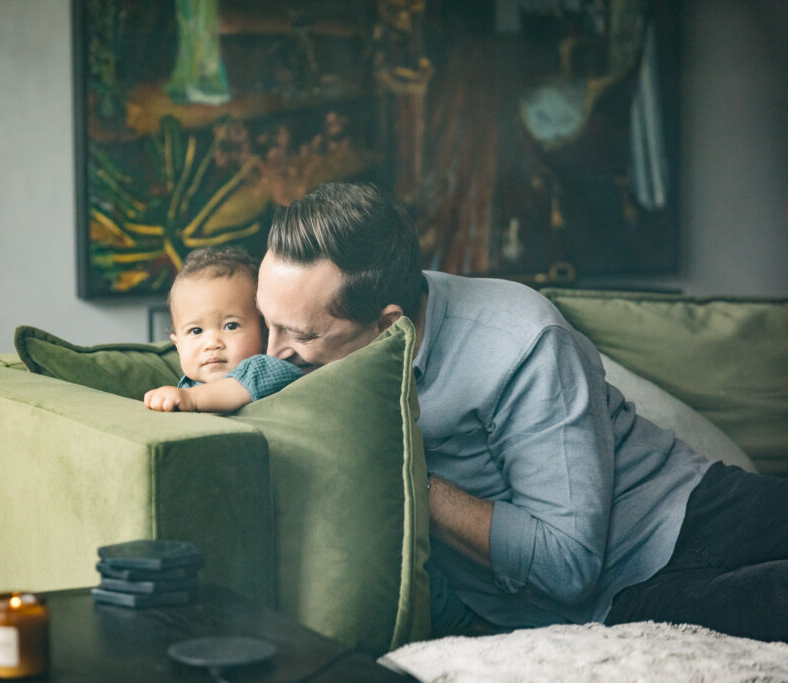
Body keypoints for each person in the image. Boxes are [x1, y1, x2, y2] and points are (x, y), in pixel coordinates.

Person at [256, 181, 788, 642]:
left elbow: (566, 564)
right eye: (266, 321)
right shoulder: (283, 359)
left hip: (691, 515)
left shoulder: (519, 341)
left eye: (302, 335)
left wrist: (406, 474)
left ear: (389, 326)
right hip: (619, 600)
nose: (269, 353)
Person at [145, 246, 302, 413]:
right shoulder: (188, 385)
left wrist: (190, 398)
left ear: (264, 331)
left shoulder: (268, 368)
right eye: (196, 331)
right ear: (178, 345)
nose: (212, 343)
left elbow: (235, 389)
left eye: (231, 326)